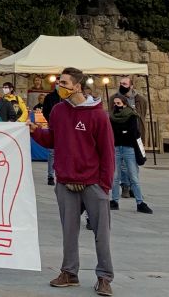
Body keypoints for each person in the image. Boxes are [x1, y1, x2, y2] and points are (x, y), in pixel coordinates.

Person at [30, 67, 115, 296]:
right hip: (66, 181)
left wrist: (104, 185)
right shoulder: (58, 110)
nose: (60, 86)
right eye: (59, 82)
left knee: (101, 233)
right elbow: (53, 140)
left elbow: (107, 152)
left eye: (64, 83)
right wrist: (36, 132)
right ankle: (69, 272)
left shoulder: (98, 115)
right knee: (69, 231)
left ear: (77, 86)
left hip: (93, 183)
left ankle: (104, 277)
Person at [108, 93, 151, 214]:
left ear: (124, 104)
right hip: (116, 148)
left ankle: (140, 202)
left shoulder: (132, 115)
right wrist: (122, 132)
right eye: (114, 103)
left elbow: (132, 132)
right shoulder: (112, 117)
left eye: (118, 103)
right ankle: (114, 200)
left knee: (133, 176)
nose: (116, 106)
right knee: (115, 177)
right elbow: (112, 132)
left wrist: (121, 133)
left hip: (129, 148)